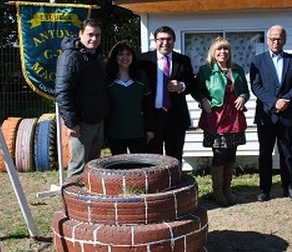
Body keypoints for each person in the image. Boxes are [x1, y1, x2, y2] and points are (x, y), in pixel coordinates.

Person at [250, 25, 292, 202]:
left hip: (287, 114)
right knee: (265, 153)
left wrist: (286, 100)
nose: (276, 41)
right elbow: (256, 86)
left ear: (284, 40)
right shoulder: (257, 61)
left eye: (279, 38)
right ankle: (264, 189)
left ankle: (288, 186)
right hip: (266, 115)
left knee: (286, 153)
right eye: (273, 38)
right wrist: (274, 102)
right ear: (267, 40)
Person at [192, 36, 249, 206]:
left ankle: (227, 189)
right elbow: (196, 90)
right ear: (213, 52)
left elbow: (245, 90)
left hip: (235, 117)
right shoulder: (206, 70)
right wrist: (203, 101)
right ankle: (217, 192)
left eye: (225, 49)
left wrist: (243, 97)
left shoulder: (237, 69)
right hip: (216, 118)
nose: (223, 52)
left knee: (231, 153)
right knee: (219, 154)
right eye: (219, 49)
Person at [55, 18, 108, 176]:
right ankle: (71, 200)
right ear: (80, 34)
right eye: (90, 34)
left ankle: (88, 200)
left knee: (93, 169)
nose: (94, 39)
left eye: (98, 35)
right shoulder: (70, 57)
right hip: (81, 124)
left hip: (96, 120)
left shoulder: (94, 56)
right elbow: (62, 92)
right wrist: (72, 123)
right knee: (78, 170)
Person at [139, 26, 195, 162]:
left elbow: (193, 84)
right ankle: (156, 184)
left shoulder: (183, 60)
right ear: (155, 41)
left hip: (176, 116)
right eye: (161, 39)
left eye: (169, 39)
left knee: (175, 158)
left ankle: (175, 182)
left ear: (174, 41)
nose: (165, 42)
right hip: (153, 116)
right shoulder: (143, 60)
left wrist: (181, 86)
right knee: (153, 159)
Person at [104, 41, 154, 155]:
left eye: (128, 54)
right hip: (115, 131)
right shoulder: (107, 78)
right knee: (119, 168)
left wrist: (150, 129)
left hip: (138, 131)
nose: (125, 58)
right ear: (114, 57)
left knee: (139, 166)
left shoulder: (141, 76)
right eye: (121, 54)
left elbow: (148, 104)